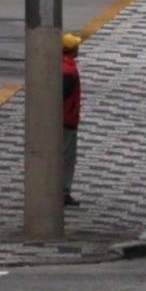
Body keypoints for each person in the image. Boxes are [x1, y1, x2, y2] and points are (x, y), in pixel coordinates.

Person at [62, 33, 82, 207]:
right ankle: (63, 192)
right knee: (67, 158)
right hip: (67, 121)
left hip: (65, 119)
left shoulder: (62, 66)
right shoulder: (68, 70)